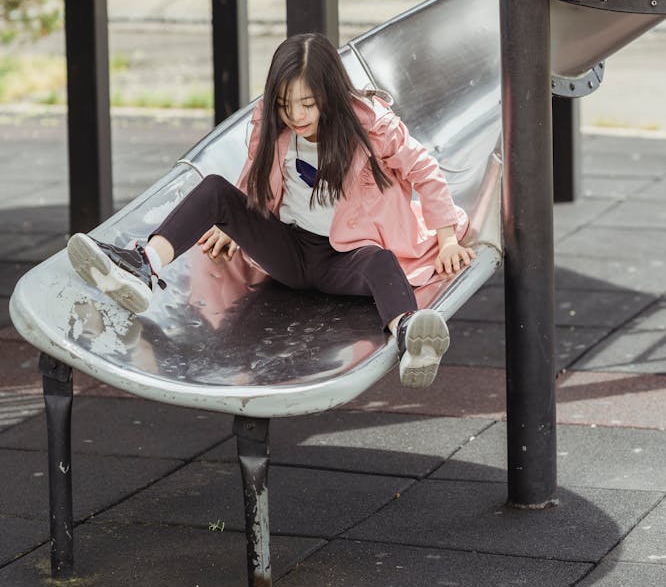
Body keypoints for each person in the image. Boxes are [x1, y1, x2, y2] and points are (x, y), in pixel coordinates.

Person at [67, 33, 476, 388]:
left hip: (348, 259)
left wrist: (444, 237)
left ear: (331, 96)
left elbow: (424, 170)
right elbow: (254, 176)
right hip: (291, 253)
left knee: (382, 262)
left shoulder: (372, 127)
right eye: (285, 105)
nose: (295, 116)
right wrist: (233, 225)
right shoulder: (272, 123)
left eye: (307, 104)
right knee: (214, 190)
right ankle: (145, 265)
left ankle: (408, 333)